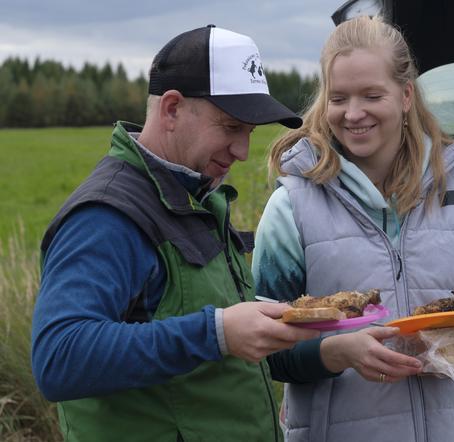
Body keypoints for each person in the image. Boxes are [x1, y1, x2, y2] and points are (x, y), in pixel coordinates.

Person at [31, 25, 320, 442]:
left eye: (250, 133)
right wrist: (216, 332)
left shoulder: (195, 198)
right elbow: (59, 357)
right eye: (230, 127)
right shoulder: (108, 215)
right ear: (171, 109)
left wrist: (330, 351)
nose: (242, 150)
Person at [252, 15, 454, 442]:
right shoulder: (292, 205)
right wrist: (336, 354)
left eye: (371, 95)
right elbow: (266, 350)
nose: (353, 113)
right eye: (339, 98)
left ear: (406, 96)